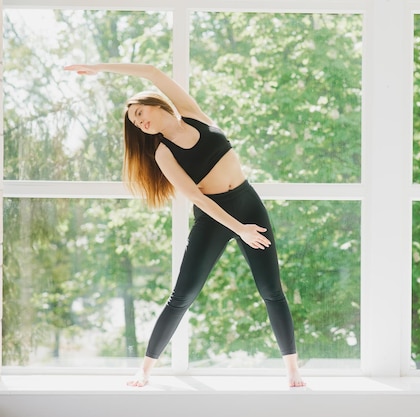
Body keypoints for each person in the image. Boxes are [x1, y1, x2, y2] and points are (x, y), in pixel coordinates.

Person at [64, 63, 305, 388]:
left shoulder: (194, 114)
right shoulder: (163, 153)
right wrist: (240, 229)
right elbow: (196, 196)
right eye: (135, 122)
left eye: (139, 113)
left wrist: (99, 68)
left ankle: (292, 371)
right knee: (183, 294)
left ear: (155, 103)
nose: (141, 122)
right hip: (214, 215)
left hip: (248, 202)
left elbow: (152, 71)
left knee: (272, 291)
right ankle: (145, 370)